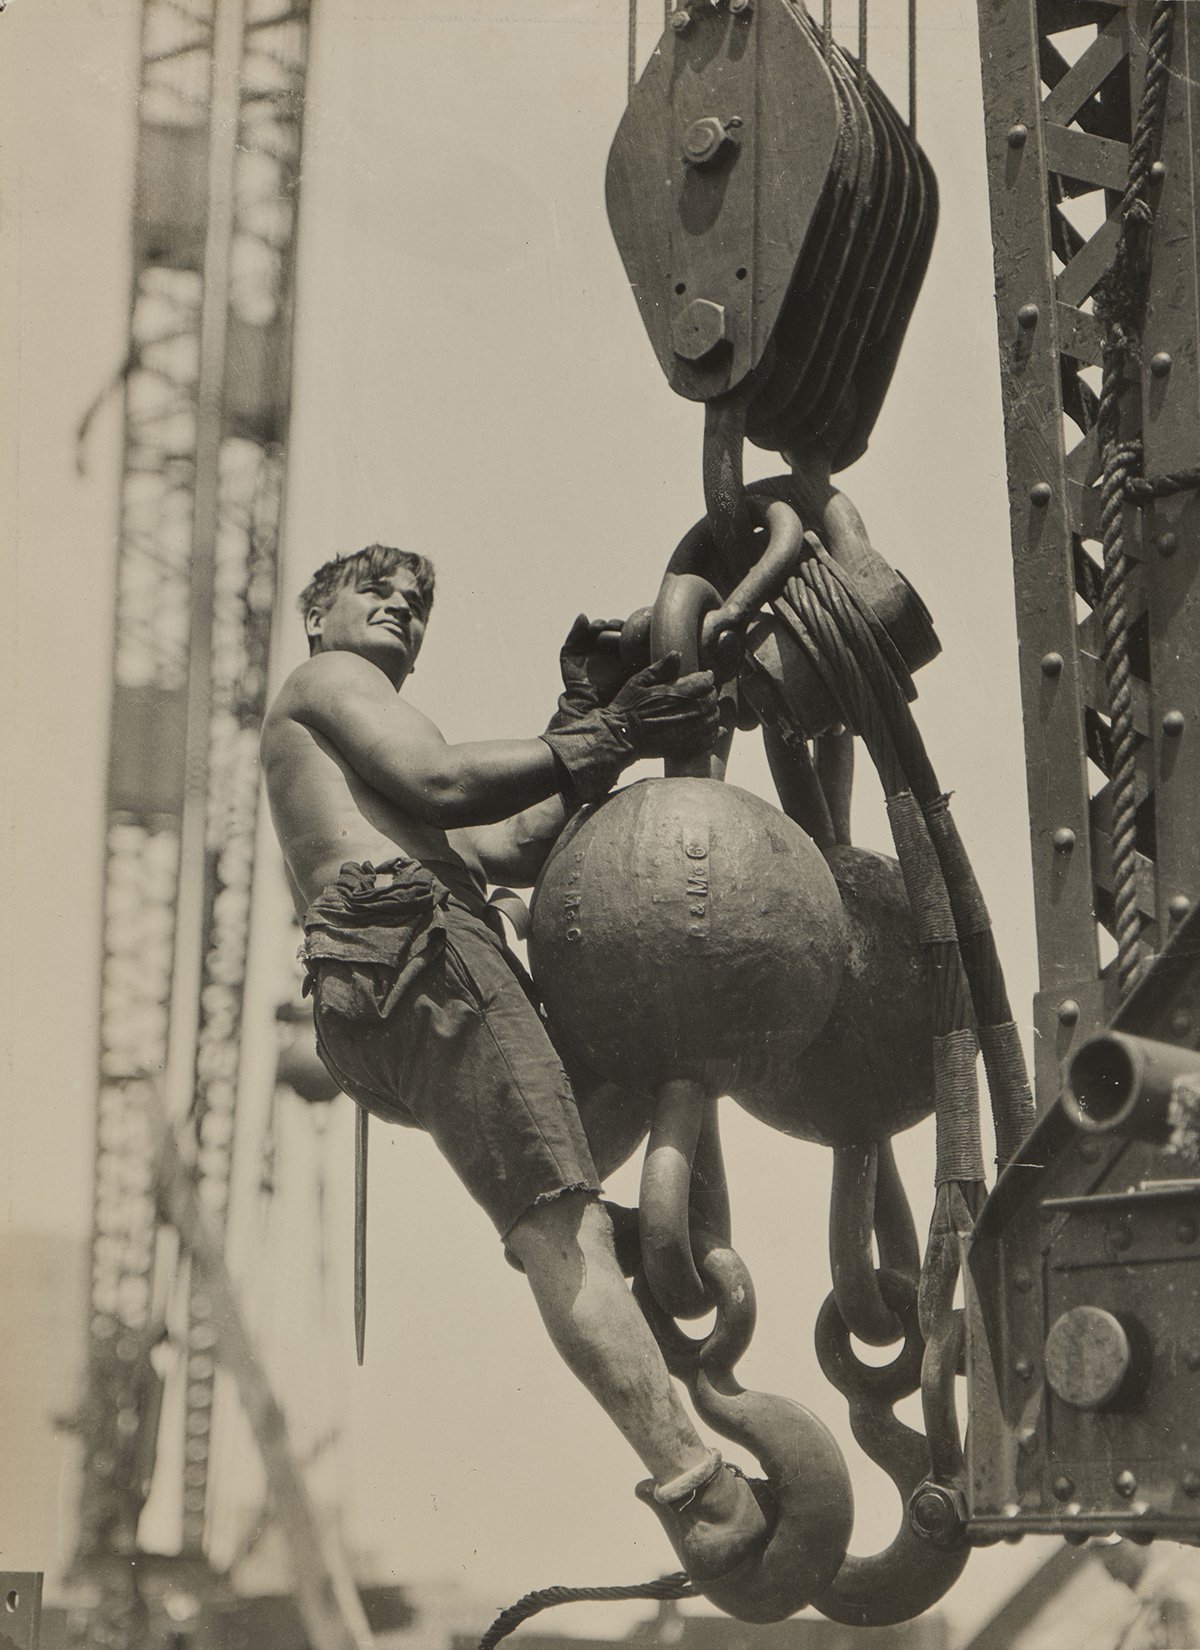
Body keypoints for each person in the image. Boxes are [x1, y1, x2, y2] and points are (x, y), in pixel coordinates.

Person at [260, 542, 770, 1585]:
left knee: (629, 1065)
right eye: (376, 592)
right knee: (556, 1220)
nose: (400, 607)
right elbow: (443, 781)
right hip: (418, 945)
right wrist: (610, 730)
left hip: (386, 986)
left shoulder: (358, 780)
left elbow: (513, 843)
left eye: (416, 603)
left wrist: (591, 718)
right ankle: (698, 1492)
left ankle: (589, 1245)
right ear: (318, 617)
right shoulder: (329, 682)